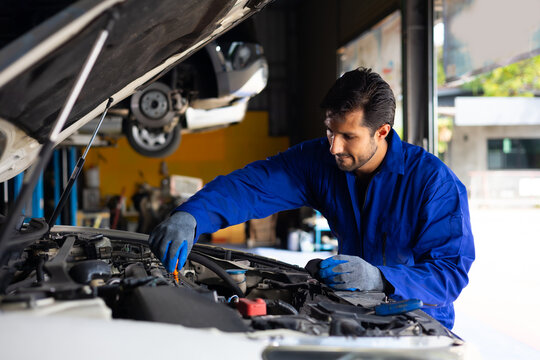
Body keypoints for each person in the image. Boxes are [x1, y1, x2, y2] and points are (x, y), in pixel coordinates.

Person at [148, 67, 475, 329]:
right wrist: (192, 214)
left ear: (382, 132)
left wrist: (379, 278)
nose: (334, 147)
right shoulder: (320, 162)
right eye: (330, 132)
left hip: (418, 328)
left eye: (348, 136)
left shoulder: (433, 184)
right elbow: (253, 186)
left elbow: (449, 274)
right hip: (353, 316)